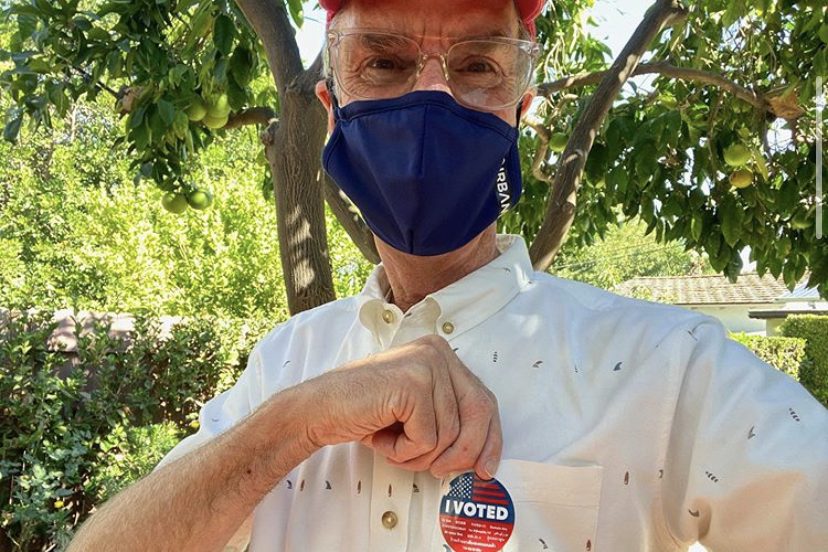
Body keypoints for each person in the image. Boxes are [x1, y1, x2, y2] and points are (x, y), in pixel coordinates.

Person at [68, 0, 828, 550]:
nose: (432, 97)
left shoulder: (669, 368)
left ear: (520, 111)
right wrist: (299, 422)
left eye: (476, 67)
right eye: (385, 62)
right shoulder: (284, 367)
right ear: (332, 110)